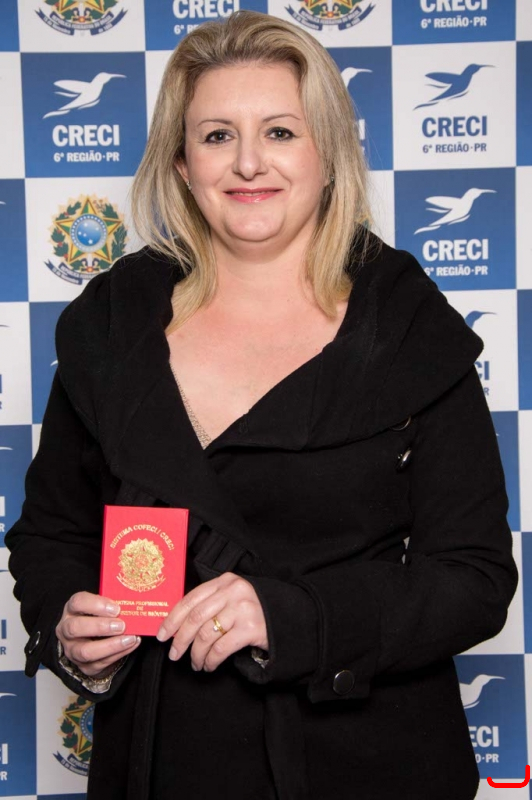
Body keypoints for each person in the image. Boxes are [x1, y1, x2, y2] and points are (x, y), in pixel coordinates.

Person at [5, 9, 518, 800]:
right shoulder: (112, 325)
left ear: (328, 153)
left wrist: (295, 616)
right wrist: (67, 626)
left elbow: (473, 579)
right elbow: (51, 535)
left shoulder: (408, 327)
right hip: (163, 766)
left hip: (370, 765)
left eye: (280, 132)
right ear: (181, 163)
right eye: (217, 136)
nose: (248, 163)